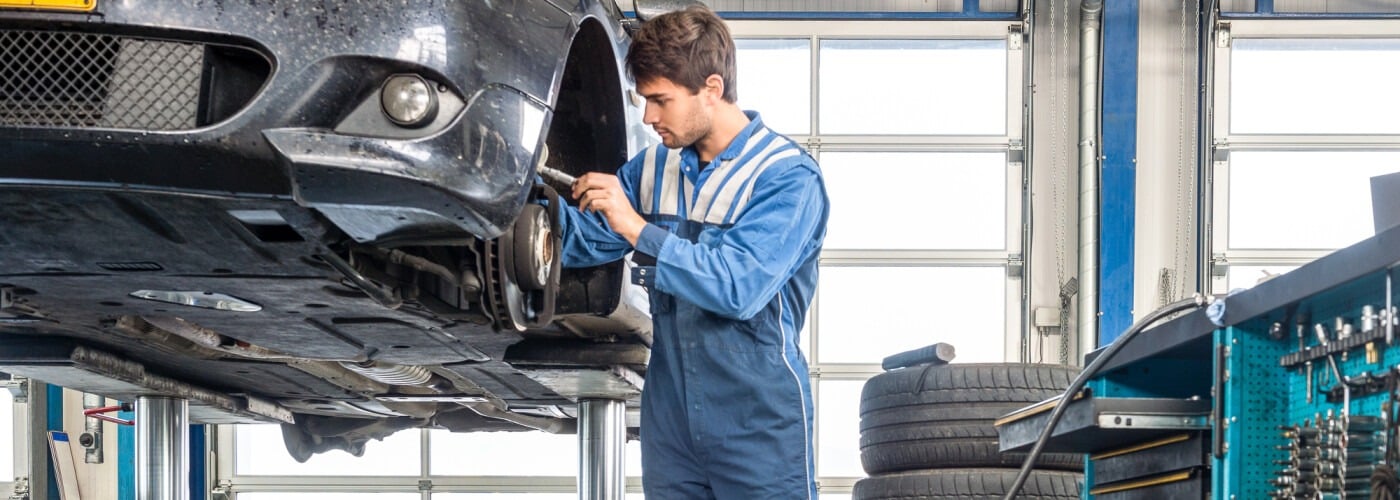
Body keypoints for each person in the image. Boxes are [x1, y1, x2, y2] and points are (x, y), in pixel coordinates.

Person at [553, 5, 828, 498]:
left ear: (712, 89)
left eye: (661, 100)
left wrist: (638, 229)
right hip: (672, 422)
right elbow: (588, 238)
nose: (648, 116)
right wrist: (519, 207)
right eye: (644, 100)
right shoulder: (653, 168)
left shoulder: (785, 177)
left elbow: (737, 287)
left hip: (758, 424)